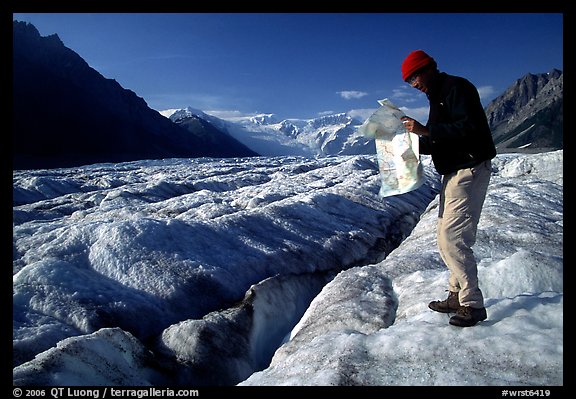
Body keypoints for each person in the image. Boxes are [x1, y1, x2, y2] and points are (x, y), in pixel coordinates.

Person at [399, 50, 496, 327]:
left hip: (469, 168)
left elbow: (469, 128)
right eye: (409, 81)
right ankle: (456, 295)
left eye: (415, 76)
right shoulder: (438, 96)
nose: (414, 84)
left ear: (429, 68)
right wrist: (406, 143)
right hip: (455, 172)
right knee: (448, 235)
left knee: (452, 238)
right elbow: (439, 140)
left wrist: (425, 131)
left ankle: (472, 304)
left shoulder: (457, 88)